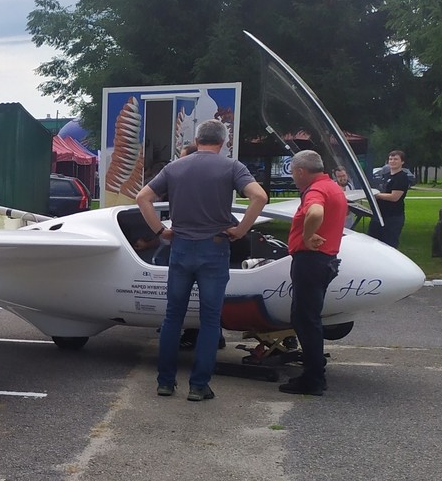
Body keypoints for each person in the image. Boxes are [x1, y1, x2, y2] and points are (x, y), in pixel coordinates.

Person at [136, 119, 268, 402]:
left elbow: (143, 197)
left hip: (181, 248)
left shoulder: (174, 167)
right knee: (209, 319)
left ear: (197, 140)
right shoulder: (232, 167)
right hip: (215, 248)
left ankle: (165, 382)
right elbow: (259, 196)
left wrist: (161, 231)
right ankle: (198, 386)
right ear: (223, 142)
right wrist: (241, 230)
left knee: (173, 316)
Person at [280, 150, 347, 397]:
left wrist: (307, 236)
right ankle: (316, 373)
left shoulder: (315, 190)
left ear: (301, 171)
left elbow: (315, 212)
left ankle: (313, 379)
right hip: (325, 260)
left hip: (311, 261)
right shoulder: (333, 187)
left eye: (293, 173)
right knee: (309, 318)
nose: (293, 178)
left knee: (305, 320)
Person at [370, 149, 412, 247]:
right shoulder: (385, 176)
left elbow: (394, 197)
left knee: (388, 244)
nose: (392, 161)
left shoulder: (401, 177)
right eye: (390, 159)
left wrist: (376, 195)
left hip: (393, 217)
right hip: (379, 215)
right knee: (373, 242)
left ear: (402, 162)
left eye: (396, 159)